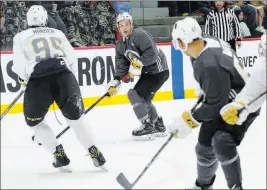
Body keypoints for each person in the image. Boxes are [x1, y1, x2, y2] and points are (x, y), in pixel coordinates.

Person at [169, 17, 260, 189]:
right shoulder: (206, 42)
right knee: (204, 146)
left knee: (221, 141)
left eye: (177, 42)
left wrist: (189, 120)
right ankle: (203, 186)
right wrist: (207, 90)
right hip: (224, 94)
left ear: (182, 42)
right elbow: (216, 93)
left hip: (243, 104)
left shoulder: (209, 64)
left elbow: (216, 106)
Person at [12, 5, 106, 172]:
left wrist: (25, 80)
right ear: (45, 18)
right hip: (64, 76)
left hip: (39, 82)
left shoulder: (20, 36)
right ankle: (94, 151)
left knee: (34, 121)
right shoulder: (58, 33)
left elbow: (20, 66)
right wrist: (70, 82)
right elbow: (72, 59)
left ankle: (58, 154)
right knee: (76, 119)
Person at [107, 12, 169, 141]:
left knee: (134, 94)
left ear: (131, 25)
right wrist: (116, 81)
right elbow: (122, 66)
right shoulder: (120, 45)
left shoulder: (140, 35)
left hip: (159, 71)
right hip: (148, 73)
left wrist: (139, 63)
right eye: (121, 25)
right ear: (118, 27)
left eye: (127, 24)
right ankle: (157, 125)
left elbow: (152, 53)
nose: (124, 28)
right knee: (144, 98)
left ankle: (147, 125)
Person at [220, 33, 266, 125]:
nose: (264, 55)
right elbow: (253, 91)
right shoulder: (263, 66)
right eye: (264, 52)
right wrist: (240, 105)